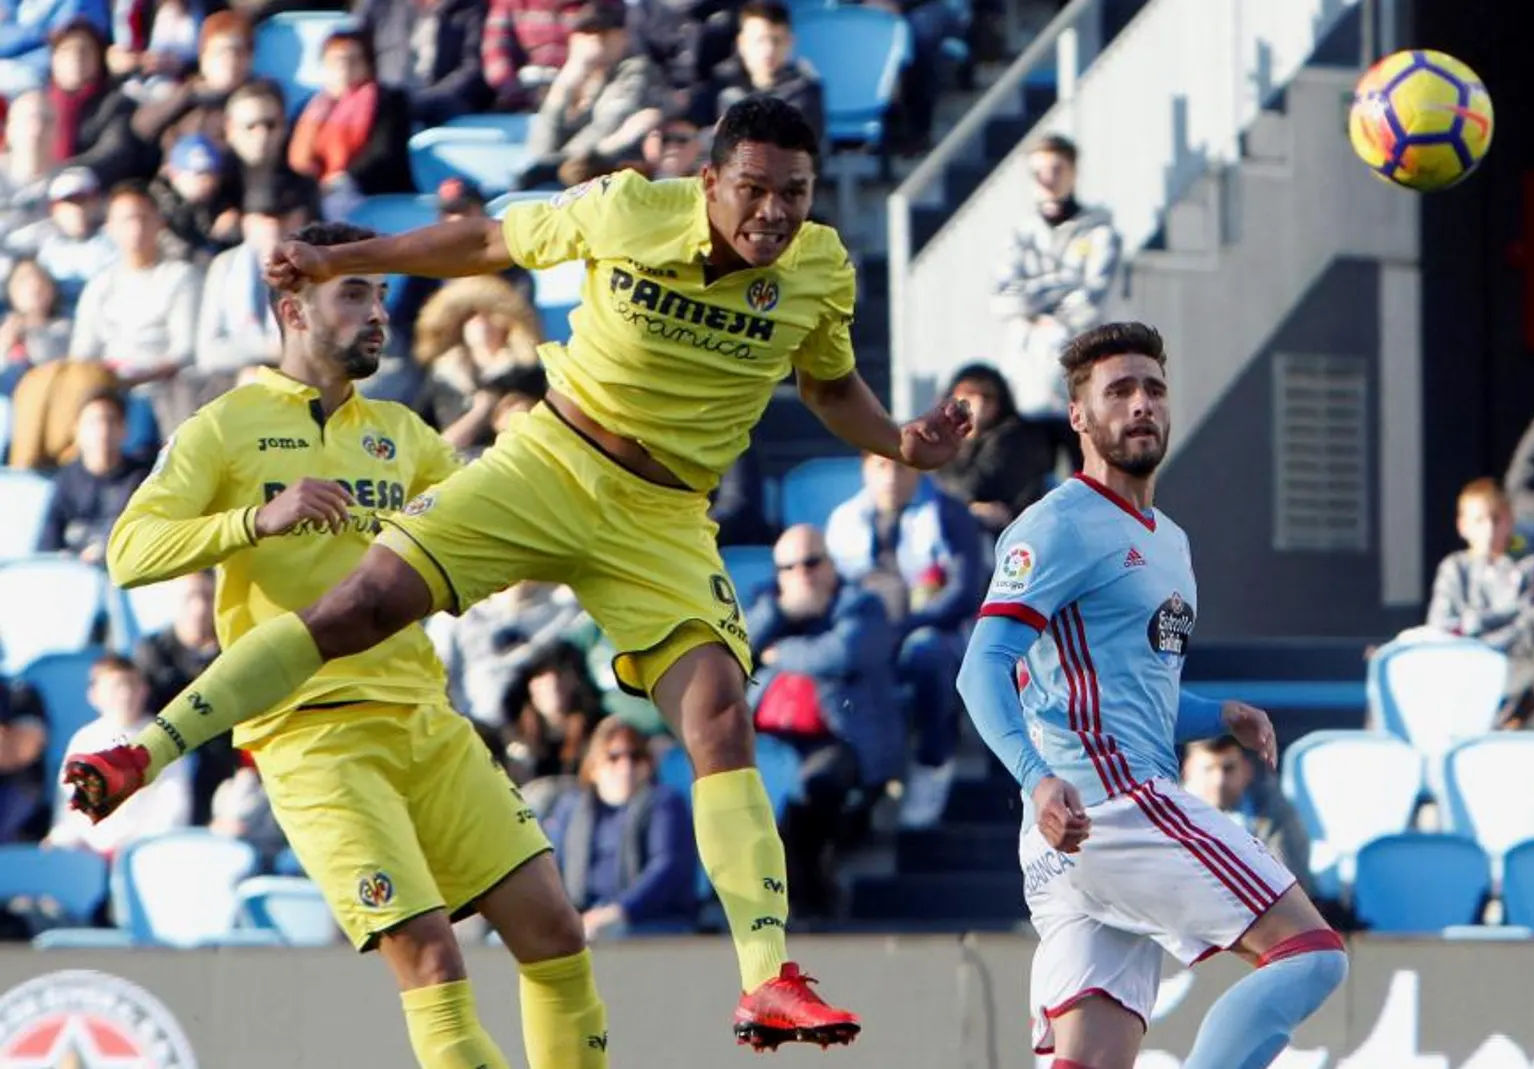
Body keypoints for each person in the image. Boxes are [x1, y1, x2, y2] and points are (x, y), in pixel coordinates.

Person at [65, 94, 969, 1052]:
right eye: (755, 189)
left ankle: (766, 978)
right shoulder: (628, 209)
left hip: (660, 518)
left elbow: (829, 385)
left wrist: (903, 442)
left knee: (718, 716)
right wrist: (351, 255)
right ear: (709, 182)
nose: (775, 213)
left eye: (795, 192)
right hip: (548, 464)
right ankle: (147, 750)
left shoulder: (820, 269)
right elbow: (489, 242)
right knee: (362, 603)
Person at [90, 220, 607, 1069]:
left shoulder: (403, 432)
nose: (379, 313)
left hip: (426, 720)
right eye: (356, 292)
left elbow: (499, 535)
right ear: (293, 309)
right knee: (433, 959)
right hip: (311, 738)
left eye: (382, 293)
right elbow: (128, 552)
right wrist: (257, 518)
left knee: (555, 931)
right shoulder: (225, 426)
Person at [956, 322, 1346, 1069]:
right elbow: (981, 668)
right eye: (1120, 391)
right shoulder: (1058, 524)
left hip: (1072, 842)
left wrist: (1216, 715)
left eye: (1154, 389)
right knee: (1311, 953)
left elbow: (1134, 691)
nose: (1142, 405)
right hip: (1111, 806)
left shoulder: (1168, 537)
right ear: (1079, 416)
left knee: (1092, 1060)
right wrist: (1037, 780)